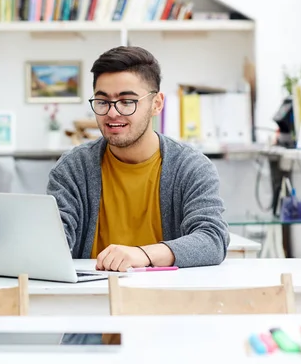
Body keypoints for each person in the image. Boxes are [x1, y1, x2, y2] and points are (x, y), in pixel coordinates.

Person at [46, 46, 229, 271]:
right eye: (103, 102)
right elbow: (54, 241)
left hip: (167, 297)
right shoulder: (73, 168)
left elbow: (212, 239)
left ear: (157, 104)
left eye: (127, 101)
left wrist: (142, 254)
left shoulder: (190, 167)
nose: (113, 113)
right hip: (90, 297)